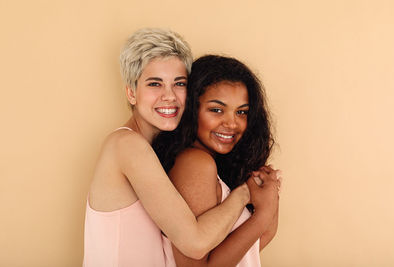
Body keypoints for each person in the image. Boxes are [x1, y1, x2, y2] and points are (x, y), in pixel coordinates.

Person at [83, 29, 254, 267]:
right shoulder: (127, 146)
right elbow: (194, 244)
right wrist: (244, 193)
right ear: (131, 93)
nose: (169, 96)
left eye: (179, 84)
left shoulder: (154, 150)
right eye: (155, 84)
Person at [153, 55, 282, 266]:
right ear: (192, 110)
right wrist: (262, 214)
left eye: (241, 112)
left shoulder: (211, 165)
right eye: (216, 110)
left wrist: (270, 199)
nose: (232, 123)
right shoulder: (195, 163)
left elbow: (248, 251)